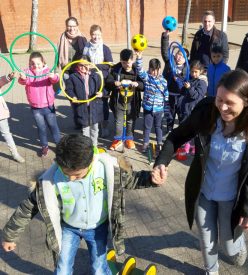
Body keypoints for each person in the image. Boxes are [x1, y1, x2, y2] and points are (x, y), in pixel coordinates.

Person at [151, 70, 248, 274]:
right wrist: (161, 162)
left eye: (230, 102)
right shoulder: (206, 115)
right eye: (219, 99)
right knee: (206, 239)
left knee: (229, 248)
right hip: (203, 192)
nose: (222, 107)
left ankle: (237, 246)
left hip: (232, 199)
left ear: (247, 102)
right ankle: (211, 270)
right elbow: (176, 136)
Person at [2, 134, 159, 274]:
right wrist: (10, 236)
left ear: (90, 162)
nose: (70, 179)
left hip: (98, 228)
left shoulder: (107, 170)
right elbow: (27, 208)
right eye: (66, 173)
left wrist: (152, 179)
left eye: (77, 175)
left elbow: (132, 180)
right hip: (69, 228)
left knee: (99, 268)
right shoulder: (50, 181)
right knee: (62, 268)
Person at [18, 52, 61, 157]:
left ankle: (59, 145)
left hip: (48, 105)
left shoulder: (47, 71)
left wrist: (53, 76)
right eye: (32, 63)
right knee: (41, 127)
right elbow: (23, 81)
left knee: (53, 126)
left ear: (43, 63)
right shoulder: (27, 72)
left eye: (38, 63)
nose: (35, 66)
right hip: (35, 107)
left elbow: (55, 80)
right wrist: (23, 78)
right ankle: (44, 146)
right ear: (29, 63)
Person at [106, 49, 144, 151]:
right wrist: (114, 83)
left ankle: (129, 138)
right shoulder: (115, 69)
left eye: (128, 62)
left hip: (132, 102)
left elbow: (144, 85)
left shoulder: (137, 70)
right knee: (119, 121)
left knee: (131, 121)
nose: (126, 65)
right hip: (119, 101)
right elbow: (108, 81)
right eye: (123, 62)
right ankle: (118, 139)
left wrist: (138, 84)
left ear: (132, 60)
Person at [83, 24, 113, 138]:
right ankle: (92, 125)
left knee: (103, 102)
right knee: (91, 101)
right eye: (94, 34)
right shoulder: (86, 47)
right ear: (90, 35)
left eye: (98, 34)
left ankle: (104, 126)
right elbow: (83, 61)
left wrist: (95, 66)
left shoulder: (105, 48)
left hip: (102, 79)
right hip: (90, 79)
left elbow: (109, 65)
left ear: (101, 34)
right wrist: (87, 67)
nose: (96, 37)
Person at [65, 56, 103, 146]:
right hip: (82, 106)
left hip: (94, 106)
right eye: (80, 65)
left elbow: (101, 88)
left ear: (90, 65)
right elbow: (69, 89)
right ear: (77, 65)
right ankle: (86, 146)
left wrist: (101, 93)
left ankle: (94, 145)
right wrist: (73, 97)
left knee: (95, 128)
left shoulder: (95, 76)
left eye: (85, 65)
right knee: (85, 128)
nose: (83, 67)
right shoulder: (73, 77)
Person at [135, 51, 169, 153]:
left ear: (159, 69)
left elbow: (166, 95)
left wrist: (166, 108)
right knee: (147, 127)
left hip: (159, 109)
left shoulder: (163, 81)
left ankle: (159, 143)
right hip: (148, 108)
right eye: (152, 69)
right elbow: (139, 70)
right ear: (149, 69)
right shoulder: (147, 78)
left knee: (158, 126)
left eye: (156, 70)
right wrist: (139, 58)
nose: (154, 72)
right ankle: (145, 142)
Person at [161, 30, 189, 133]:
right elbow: (165, 51)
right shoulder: (170, 62)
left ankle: (181, 134)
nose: (179, 57)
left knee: (181, 115)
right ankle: (169, 131)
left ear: (186, 59)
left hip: (181, 95)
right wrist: (165, 37)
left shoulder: (187, 69)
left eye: (182, 56)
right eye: (178, 54)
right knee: (169, 115)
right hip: (169, 94)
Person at [180, 60, 207, 155]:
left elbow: (196, 96)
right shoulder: (190, 80)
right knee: (187, 129)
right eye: (192, 71)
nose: (193, 74)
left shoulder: (202, 83)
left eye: (196, 72)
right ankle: (187, 146)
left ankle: (195, 147)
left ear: (201, 71)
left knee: (195, 130)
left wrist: (189, 88)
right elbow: (183, 92)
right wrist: (183, 85)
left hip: (195, 110)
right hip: (187, 109)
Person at [0, 72, 25, 163]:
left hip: (0, 114)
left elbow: (2, 80)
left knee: (7, 134)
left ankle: (15, 154)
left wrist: (9, 76)